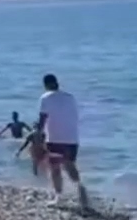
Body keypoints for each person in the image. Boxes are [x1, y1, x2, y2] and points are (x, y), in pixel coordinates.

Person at [38, 73, 89, 208]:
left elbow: (43, 118)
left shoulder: (45, 97)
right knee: (70, 165)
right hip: (72, 138)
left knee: (55, 168)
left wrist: (38, 134)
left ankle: (58, 198)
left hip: (55, 138)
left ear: (46, 85)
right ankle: (81, 191)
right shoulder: (70, 97)